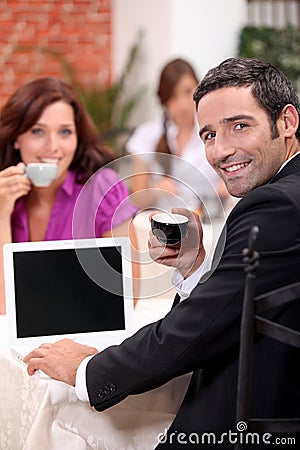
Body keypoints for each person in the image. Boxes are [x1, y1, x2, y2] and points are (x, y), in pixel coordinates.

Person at [24, 58, 300, 449]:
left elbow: (192, 332)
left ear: (287, 122)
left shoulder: (278, 204)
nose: (221, 150)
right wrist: (192, 268)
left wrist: (87, 369)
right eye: (208, 135)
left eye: (240, 126)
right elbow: (235, 307)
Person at [0, 77, 139, 314]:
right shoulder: (4, 192)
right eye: (37, 131)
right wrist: (2, 212)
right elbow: (3, 308)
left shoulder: (101, 189)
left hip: (85, 337)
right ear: (16, 138)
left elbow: (126, 297)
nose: (53, 146)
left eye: (65, 132)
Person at [126, 58, 228, 215]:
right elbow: (136, 200)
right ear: (164, 100)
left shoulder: (218, 133)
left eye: (188, 92)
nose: (182, 103)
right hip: (161, 224)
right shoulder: (146, 136)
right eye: (173, 96)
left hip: (209, 222)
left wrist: (227, 187)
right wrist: (155, 191)